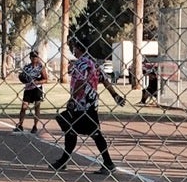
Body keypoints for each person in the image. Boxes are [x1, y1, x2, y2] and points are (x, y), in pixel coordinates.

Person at [51, 31, 124, 174]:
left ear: (78, 48)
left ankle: (108, 163)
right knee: (74, 132)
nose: (74, 50)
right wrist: (115, 95)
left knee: (85, 133)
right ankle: (64, 160)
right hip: (91, 104)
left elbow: (80, 82)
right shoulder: (94, 63)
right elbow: (105, 80)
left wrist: (72, 100)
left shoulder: (80, 64)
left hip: (81, 105)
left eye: (75, 48)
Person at [14, 47, 48, 132]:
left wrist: (37, 82)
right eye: (32, 57)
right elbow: (22, 77)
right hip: (28, 89)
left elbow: (45, 79)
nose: (34, 58)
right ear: (30, 58)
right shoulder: (27, 67)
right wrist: (22, 79)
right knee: (24, 107)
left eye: (36, 57)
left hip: (37, 89)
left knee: (37, 107)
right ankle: (20, 125)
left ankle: (35, 126)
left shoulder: (41, 67)